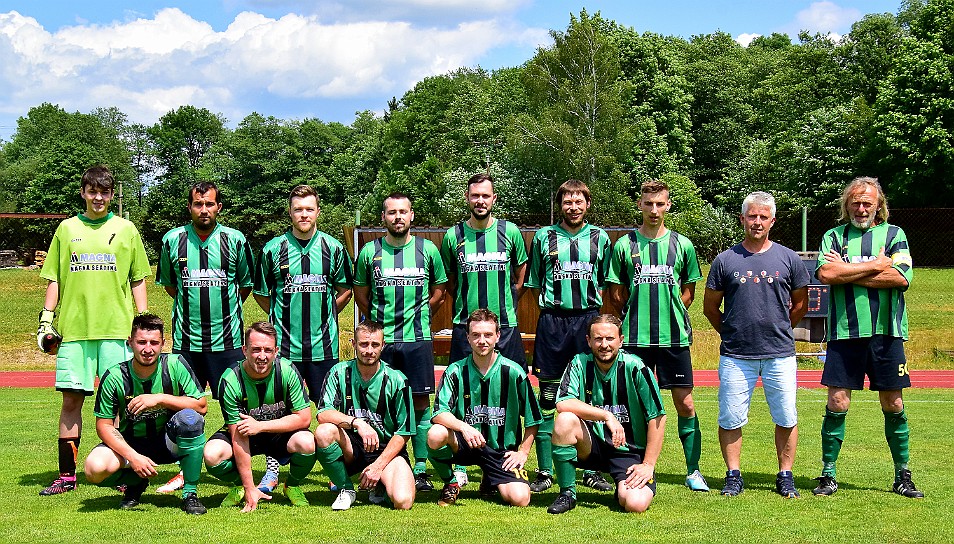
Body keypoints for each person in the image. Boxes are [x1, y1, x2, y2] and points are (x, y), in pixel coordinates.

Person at [37, 164, 150, 496]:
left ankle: (119, 469)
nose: (98, 197)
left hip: (117, 331)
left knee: (118, 404)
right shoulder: (66, 229)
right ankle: (67, 476)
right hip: (74, 332)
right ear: (83, 193)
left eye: (104, 192)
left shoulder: (127, 229)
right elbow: (55, 278)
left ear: (112, 195)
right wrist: (46, 319)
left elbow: (138, 279)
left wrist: (142, 321)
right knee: (71, 401)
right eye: (92, 191)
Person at [812, 177, 923, 498]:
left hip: (886, 333)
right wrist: (876, 265)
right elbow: (827, 274)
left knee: (893, 402)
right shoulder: (833, 236)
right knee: (837, 401)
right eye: (855, 203)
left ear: (878, 205)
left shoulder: (894, 235)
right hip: (845, 333)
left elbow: (902, 278)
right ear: (847, 205)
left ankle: (902, 474)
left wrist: (848, 272)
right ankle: (828, 474)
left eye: (867, 203)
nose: (861, 208)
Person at [702, 191, 809, 498]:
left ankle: (785, 474)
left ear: (772, 221)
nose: (757, 222)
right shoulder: (725, 260)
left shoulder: (789, 259)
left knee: (787, 416)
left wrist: (781, 328)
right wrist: (732, 332)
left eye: (763, 217)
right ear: (742, 219)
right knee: (731, 417)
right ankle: (733, 475)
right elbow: (710, 308)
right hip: (737, 355)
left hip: (780, 354)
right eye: (752, 216)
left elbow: (800, 305)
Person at [607, 179, 708, 492]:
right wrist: (637, 313)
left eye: (660, 204)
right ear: (639, 205)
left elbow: (688, 292)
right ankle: (630, 465)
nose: (654, 210)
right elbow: (616, 292)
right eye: (648, 203)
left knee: (686, 404)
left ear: (668, 205)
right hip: (635, 338)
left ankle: (692, 471)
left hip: (673, 339)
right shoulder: (624, 245)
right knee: (632, 406)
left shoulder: (683, 245)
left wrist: (670, 310)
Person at [155, 180, 254, 494]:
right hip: (186, 343)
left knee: (237, 412)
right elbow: (172, 287)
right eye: (198, 204)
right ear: (190, 207)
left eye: (209, 204)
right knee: (185, 412)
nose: (204, 209)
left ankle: (244, 472)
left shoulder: (235, 240)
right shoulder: (173, 240)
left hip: (227, 342)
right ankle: (186, 472)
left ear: (218, 207)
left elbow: (245, 285)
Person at [254, 184, 353, 492]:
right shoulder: (273, 249)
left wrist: (326, 312)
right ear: (290, 213)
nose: (304, 214)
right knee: (279, 412)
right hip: (283, 348)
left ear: (318, 212)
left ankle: (336, 473)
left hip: (323, 346)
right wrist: (282, 315)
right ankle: (272, 470)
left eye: (309, 208)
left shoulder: (334, 248)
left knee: (330, 412)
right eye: (298, 209)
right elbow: (261, 293)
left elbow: (346, 289)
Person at [353, 192, 448, 491]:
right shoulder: (370, 251)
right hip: (382, 341)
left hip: (417, 339)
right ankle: (383, 461)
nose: (397, 217)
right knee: (380, 403)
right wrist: (379, 323)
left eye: (402, 212)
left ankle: (419, 469)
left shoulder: (428, 250)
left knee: (420, 402)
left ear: (412, 216)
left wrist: (419, 314)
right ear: (383, 217)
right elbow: (361, 293)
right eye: (391, 212)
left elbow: (439, 292)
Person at [524, 179, 613, 493]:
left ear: (587, 204)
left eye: (578, 202)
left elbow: (606, 283)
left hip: (586, 321)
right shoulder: (544, 237)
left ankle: (590, 470)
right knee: (548, 399)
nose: (573, 207)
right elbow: (535, 283)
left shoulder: (600, 238)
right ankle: (546, 471)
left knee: (588, 398)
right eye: (567, 202)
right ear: (559, 205)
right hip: (552, 323)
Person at [83, 314, 208, 514]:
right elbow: (104, 425)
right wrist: (133, 457)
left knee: (190, 419)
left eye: (154, 343)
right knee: (93, 468)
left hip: (168, 442)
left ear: (163, 344)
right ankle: (136, 482)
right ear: (130, 343)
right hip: (131, 443)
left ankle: (190, 494)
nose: (148, 349)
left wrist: (159, 398)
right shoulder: (115, 376)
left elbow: (201, 406)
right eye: (141, 342)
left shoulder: (175, 364)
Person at [546, 314, 666, 514]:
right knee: (565, 420)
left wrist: (648, 465)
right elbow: (563, 402)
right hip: (591, 446)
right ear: (589, 341)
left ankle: (622, 486)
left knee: (635, 504)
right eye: (598, 339)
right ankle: (567, 493)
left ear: (621, 340)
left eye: (610, 339)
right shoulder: (579, 363)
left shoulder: (636, 367)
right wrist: (606, 416)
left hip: (628, 451)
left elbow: (657, 417)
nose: (604, 345)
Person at [426, 309, 542, 507]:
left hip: (501, 452)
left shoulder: (514, 372)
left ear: (498, 336)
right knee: (435, 434)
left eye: (488, 335)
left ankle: (489, 479)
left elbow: (534, 419)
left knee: (520, 499)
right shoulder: (455, 371)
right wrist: (464, 427)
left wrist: (523, 452)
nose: (482, 341)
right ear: (468, 338)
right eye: (476, 335)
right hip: (465, 444)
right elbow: (439, 413)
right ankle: (451, 482)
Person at [203, 322, 317, 511]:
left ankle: (292, 485)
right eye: (256, 350)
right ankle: (240, 486)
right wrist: (250, 488)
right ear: (244, 350)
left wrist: (261, 426)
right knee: (212, 454)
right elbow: (238, 436)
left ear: (276, 351)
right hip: (245, 434)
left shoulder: (287, 371)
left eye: (268, 350)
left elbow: (304, 418)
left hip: (279, 433)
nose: (262, 356)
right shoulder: (231, 379)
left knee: (307, 442)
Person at [313, 321, 416, 511]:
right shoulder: (338, 373)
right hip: (352, 446)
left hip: (386, 450)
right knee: (324, 432)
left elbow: (405, 431)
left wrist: (378, 466)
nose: (369, 350)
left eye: (375, 345)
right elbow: (323, 413)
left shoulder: (397, 380)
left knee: (403, 502)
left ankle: (380, 486)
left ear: (383, 346)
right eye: (363, 344)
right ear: (353, 344)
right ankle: (346, 489)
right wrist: (358, 423)